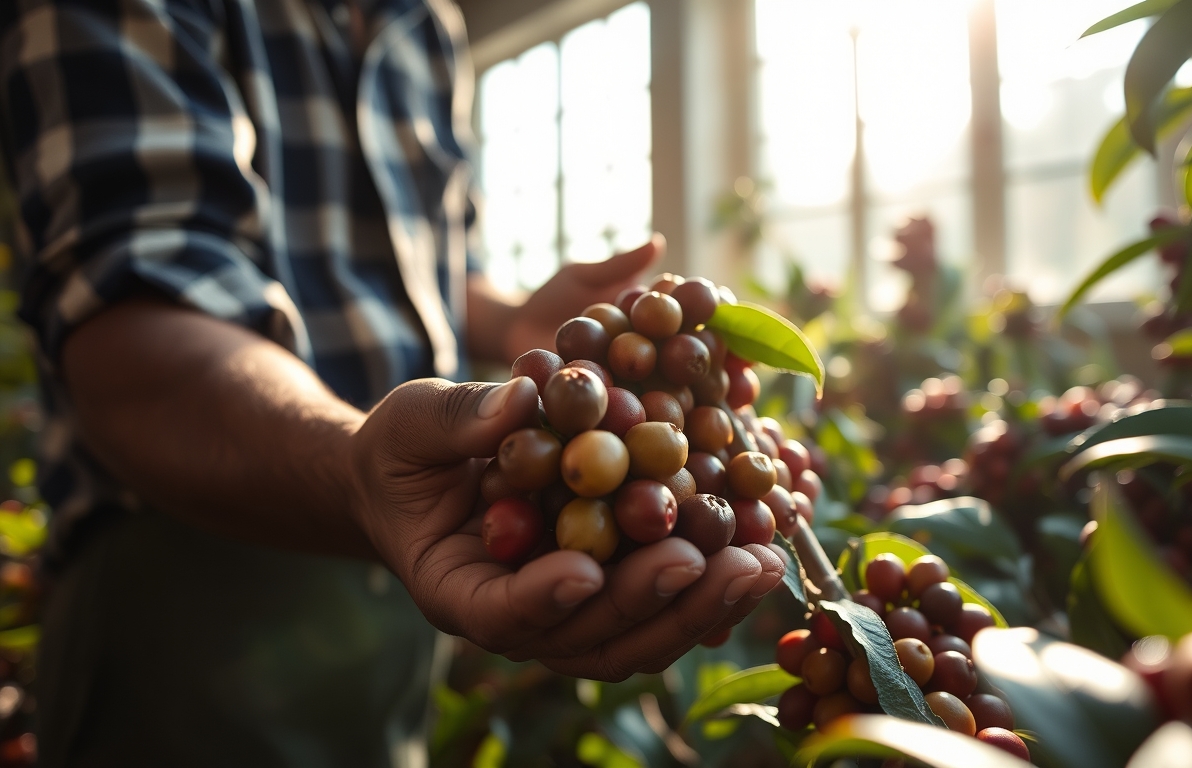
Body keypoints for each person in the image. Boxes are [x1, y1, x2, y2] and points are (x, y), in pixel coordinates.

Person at [0, 1, 786, 765]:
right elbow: (132, 323)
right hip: (185, 595)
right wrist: (353, 464)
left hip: (402, 567)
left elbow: (434, 268)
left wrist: (511, 319)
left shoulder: (423, 23)